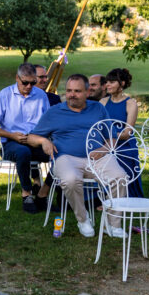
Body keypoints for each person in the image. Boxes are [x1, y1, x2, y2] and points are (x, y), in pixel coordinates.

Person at [26, 74, 127, 237]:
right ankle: (83, 220)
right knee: (71, 180)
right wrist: (43, 141)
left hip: (98, 157)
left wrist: (103, 150)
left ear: (87, 92)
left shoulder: (98, 108)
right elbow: (31, 137)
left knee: (120, 177)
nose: (72, 94)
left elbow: (112, 137)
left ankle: (112, 225)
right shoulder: (55, 112)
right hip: (66, 158)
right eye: (69, 91)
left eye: (77, 91)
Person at [0, 63, 51, 213]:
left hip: (36, 141)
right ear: (17, 78)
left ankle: (43, 193)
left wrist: (43, 138)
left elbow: (49, 122)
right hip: (11, 143)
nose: (29, 86)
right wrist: (11, 135)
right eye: (25, 82)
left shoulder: (41, 95)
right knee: (22, 152)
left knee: (60, 154)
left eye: (33, 82)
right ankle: (26, 194)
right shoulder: (5, 95)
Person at [101, 68, 144, 199]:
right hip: (106, 144)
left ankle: (120, 197)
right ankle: (105, 196)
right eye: (107, 82)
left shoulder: (130, 103)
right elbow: (97, 128)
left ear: (122, 84)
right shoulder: (103, 102)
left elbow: (127, 133)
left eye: (112, 82)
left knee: (121, 158)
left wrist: (109, 135)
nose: (107, 85)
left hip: (124, 146)